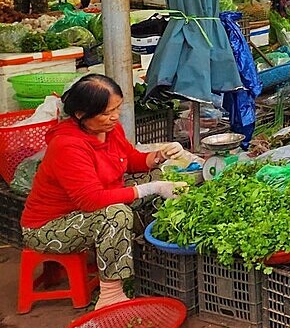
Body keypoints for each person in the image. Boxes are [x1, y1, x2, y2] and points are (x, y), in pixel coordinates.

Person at [20, 74, 187, 310]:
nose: (115, 117)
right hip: (49, 226)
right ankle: (111, 295)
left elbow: (129, 161)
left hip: (85, 209)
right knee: (116, 214)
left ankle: (147, 256)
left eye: (117, 108)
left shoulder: (110, 129)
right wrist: (151, 188)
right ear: (80, 114)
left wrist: (160, 156)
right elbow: (91, 200)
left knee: (159, 177)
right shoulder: (67, 145)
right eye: (107, 112)